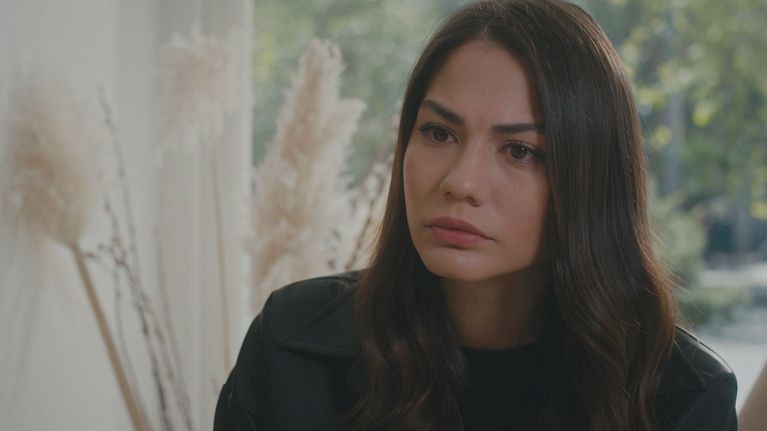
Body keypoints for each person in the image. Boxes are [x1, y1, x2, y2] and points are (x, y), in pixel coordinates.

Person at [215, 0, 738, 430]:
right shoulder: (291, 346)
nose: (461, 182)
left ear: (591, 181)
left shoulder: (680, 399)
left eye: (520, 151)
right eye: (439, 133)